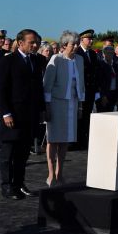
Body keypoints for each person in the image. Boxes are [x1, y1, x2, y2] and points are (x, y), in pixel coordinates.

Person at [0, 29, 46, 199]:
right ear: (21, 43)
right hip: (13, 114)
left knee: (23, 153)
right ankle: (7, 186)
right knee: (8, 153)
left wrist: (41, 110)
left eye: (37, 42)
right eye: (32, 42)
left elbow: (39, 88)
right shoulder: (7, 61)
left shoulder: (37, 61)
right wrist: (6, 113)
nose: (35, 45)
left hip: (29, 114)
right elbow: (0, 89)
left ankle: (19, 183)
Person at [42, 31, 85, 186]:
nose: (75, 47)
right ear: (64, 45)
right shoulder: (56, 59)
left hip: (72, 103)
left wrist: (80, 105)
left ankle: (61, 173)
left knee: (66, 140)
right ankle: (51, 173)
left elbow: (81, 83)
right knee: (53, 139)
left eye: (77, 44)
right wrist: (47, 107)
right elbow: (47, 85)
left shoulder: (79, 59)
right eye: (73, 44)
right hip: (56, 103)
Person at [74, 29, 98, 148]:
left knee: (87, 115)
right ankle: (77, 141)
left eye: (92, 39)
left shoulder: (93, 54)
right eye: (89, 39)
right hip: (80, 89)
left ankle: (85, 140)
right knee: (79, 115)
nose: (91, 41)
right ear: (81, 39)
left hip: (90, 90)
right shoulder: (77, 52)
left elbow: (95, 73)